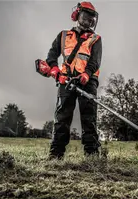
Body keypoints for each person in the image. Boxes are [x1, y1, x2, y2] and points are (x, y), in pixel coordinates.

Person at [37, 1, 102, 159]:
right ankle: (56, 154)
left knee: (89, 118)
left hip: (87, 82)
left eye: (91, 18)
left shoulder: (95, 39)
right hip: (66, 81)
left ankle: (92, 155)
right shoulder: (64, 35)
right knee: (62, 117)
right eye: (85, 16)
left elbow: (95, 61)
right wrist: (54, 69)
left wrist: (86, 74)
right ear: (77, 15)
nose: (88, 20)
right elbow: (52, 55)